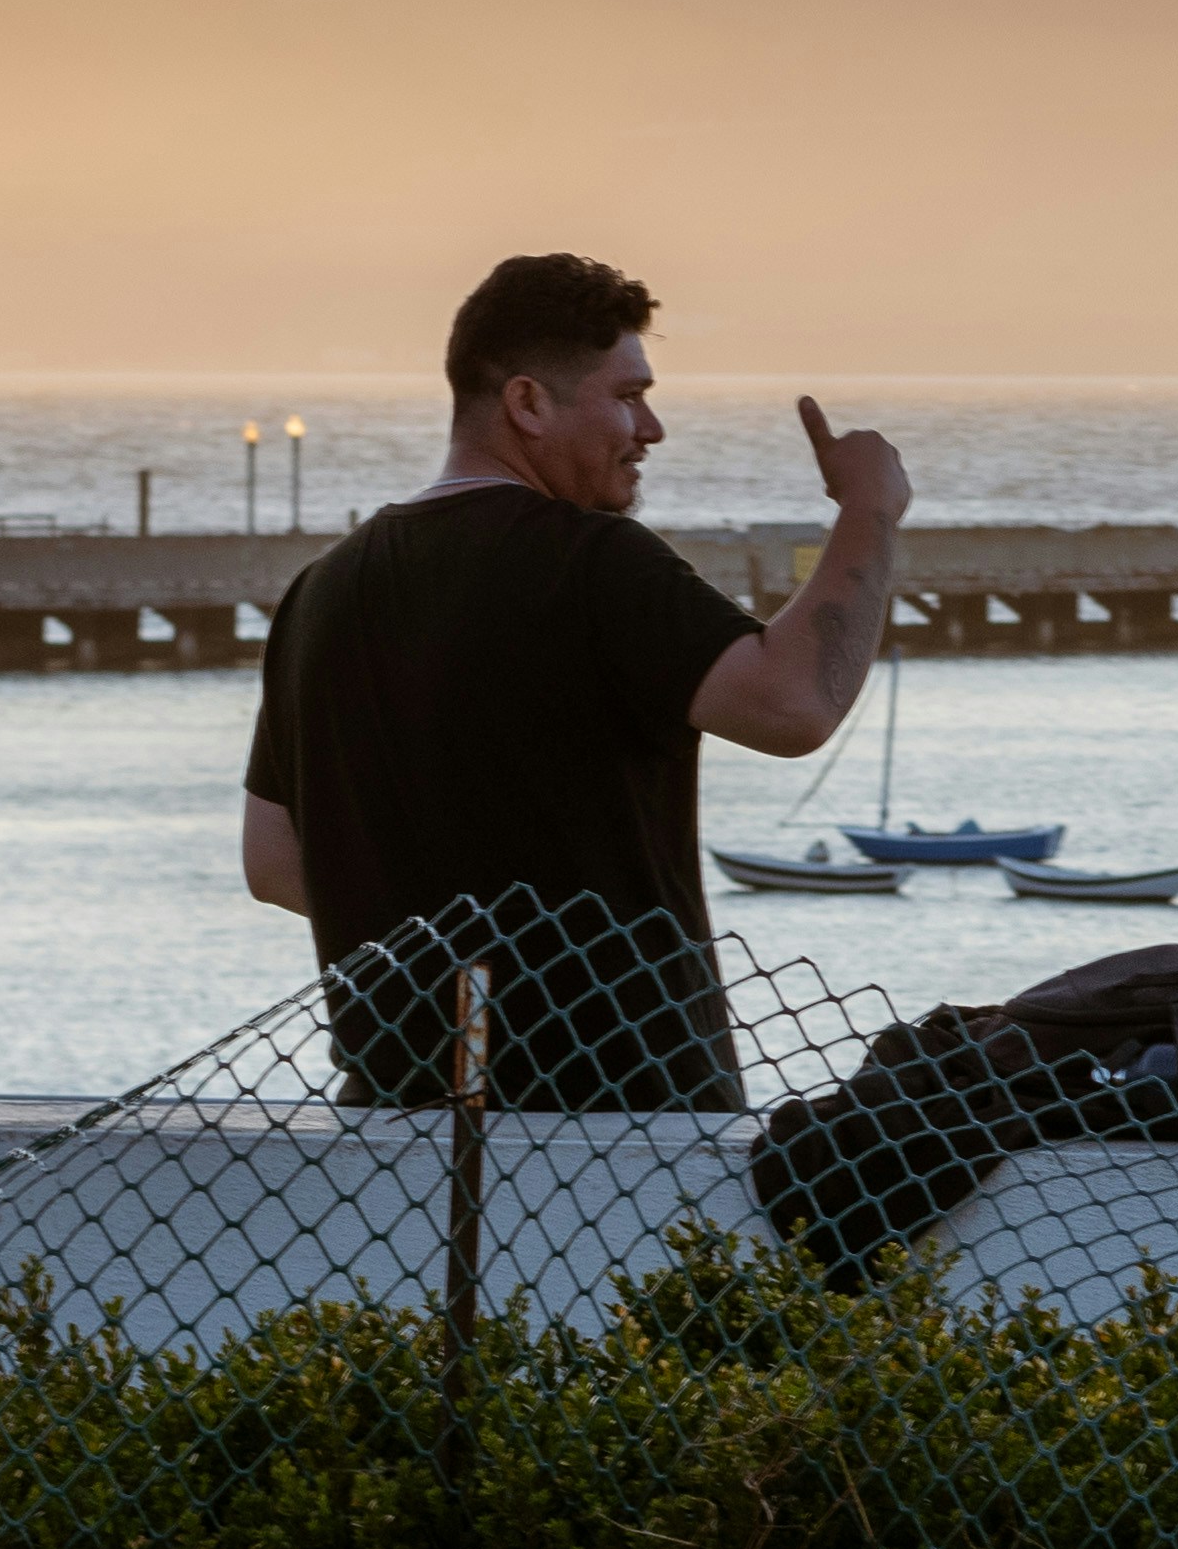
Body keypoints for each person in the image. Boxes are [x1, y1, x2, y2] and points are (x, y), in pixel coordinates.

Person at [238, 252, 909, 1107]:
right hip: (624, 1116)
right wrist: (869, 512)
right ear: (527, 403)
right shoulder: (591, 562)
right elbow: (794, 704)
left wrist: (447, 933)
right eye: (627, 396)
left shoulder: (320, 591)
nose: (651, 428)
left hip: (396, 1115)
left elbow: (272, 860)